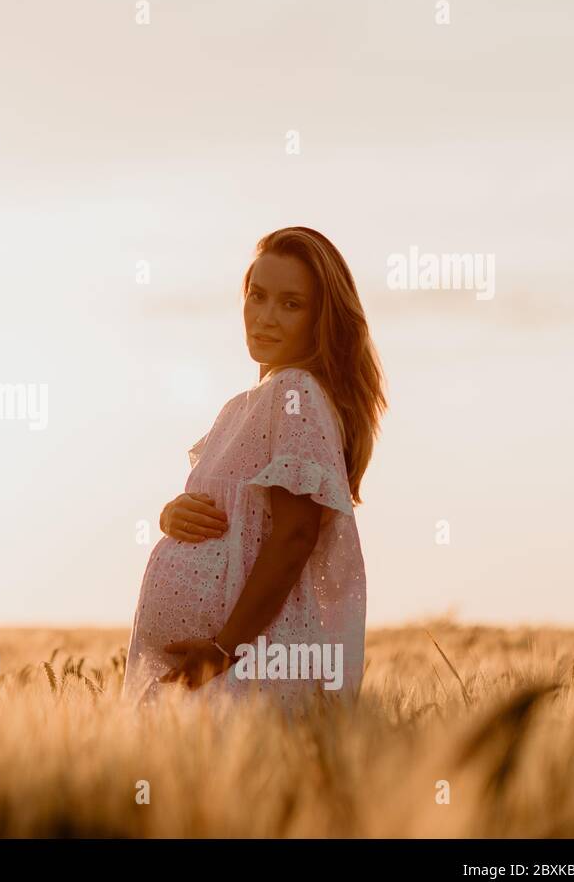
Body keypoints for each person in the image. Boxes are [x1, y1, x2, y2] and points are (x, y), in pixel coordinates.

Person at [122, 226, 387, 716]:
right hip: (227, 670)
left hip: (247, 670)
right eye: (257, 296)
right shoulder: (248, 406)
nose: (265, 317)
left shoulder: (296, 394)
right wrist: (171, 517)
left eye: (291, 304)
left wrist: (225, 650)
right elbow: (233, 515)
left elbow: (294, 536)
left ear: (321, 319)